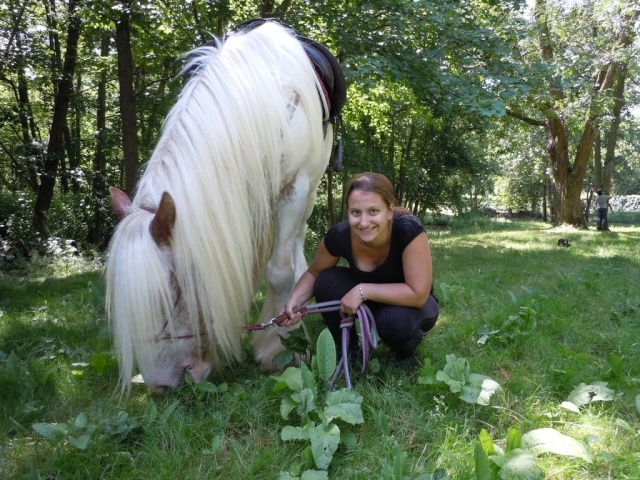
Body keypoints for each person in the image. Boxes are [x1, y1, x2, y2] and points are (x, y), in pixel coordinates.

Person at [277, 172, 439, 368]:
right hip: (369, 302)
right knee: (327, 281)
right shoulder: (340, 235)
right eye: (356, 212)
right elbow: (314, 273)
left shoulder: (408, 229)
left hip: (412, 305)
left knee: (393, 321)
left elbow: (418, 294)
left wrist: (363, 290)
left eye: (373, 211)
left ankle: (404, 352)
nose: (363, 222)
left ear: (389, 211)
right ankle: (347, 349)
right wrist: (295, 301)